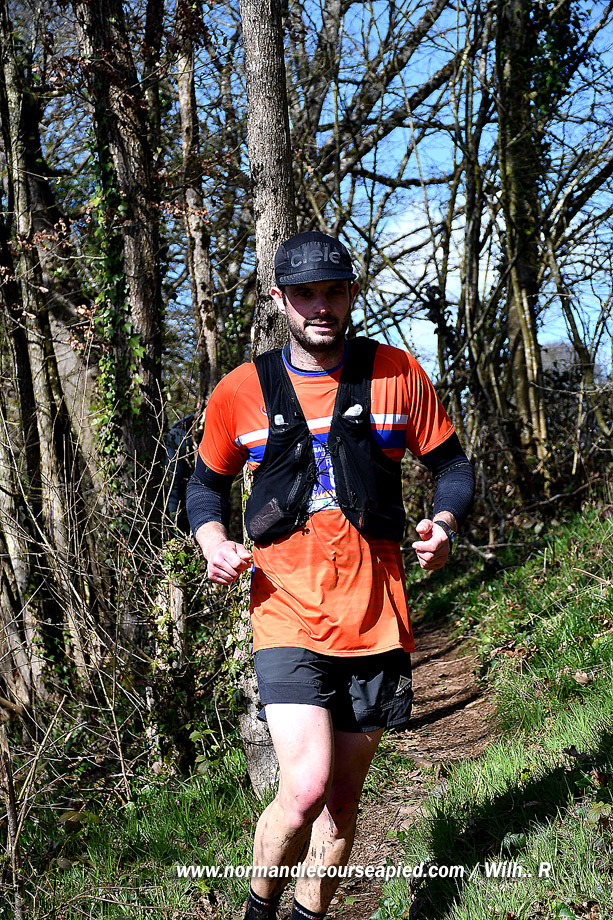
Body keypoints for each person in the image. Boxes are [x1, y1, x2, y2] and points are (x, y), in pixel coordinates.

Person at [186, 231, 475, 920]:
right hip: (284, 612)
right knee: (306, 787)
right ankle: (258, 910)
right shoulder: (241, 390)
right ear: (279, 299)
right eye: (305, 293)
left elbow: (453, 467)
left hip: (376, 618)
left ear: (352, 293)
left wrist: (443, 523)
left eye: (333, 291)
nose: (320, 305)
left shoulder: (396, 373)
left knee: (342, 805)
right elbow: (204, 486)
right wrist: (213, 540)